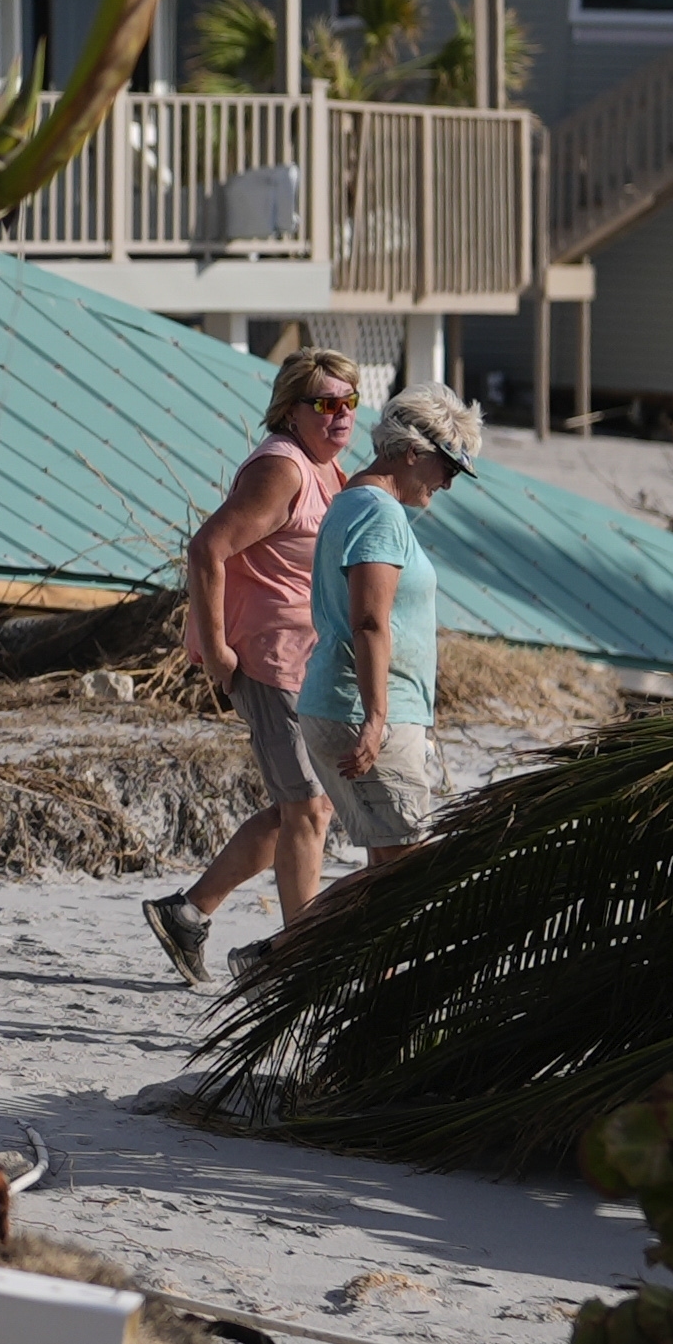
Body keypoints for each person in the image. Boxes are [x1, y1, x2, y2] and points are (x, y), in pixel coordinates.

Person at [143, 346, 355, 984]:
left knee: (307, 806)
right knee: (308, 811)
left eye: (349, 402)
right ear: (292, 410)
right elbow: (207, 547)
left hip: (308, 664)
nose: (340, 415)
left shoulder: (328, 467)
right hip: (267, 659)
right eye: (325, 403)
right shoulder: (283, 468)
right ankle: (301, 960)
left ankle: (189, 912)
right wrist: (217, 651)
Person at [301, 381, 483, 864]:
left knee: (389, 875)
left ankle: (282, 945)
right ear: (409, 451)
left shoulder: (353, 499)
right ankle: (279, 946)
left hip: (348, 706)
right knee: (402, 876)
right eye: (448, 467)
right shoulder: (380, 513)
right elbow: (368, 622)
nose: (448, 482)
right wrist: (376, 720)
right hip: (370, 713)